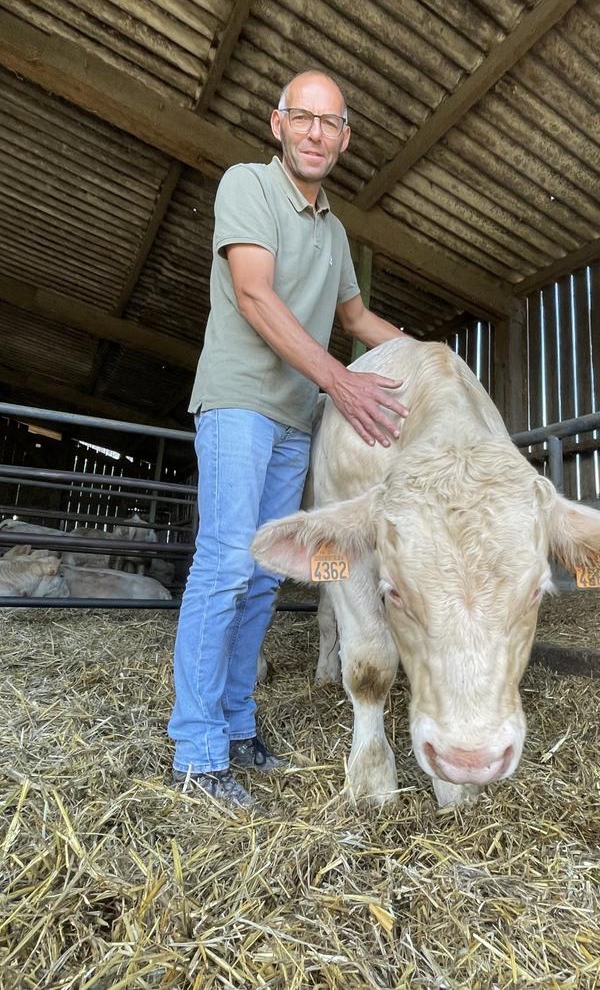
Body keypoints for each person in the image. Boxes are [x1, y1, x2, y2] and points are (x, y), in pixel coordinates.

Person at [168, 71, 409, 809]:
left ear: (344, 138)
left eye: (328, 123)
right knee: (227, 565)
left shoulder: (334, 230)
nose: (314, 133)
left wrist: (436, 364)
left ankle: (237, 724)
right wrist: (340, 382)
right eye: (301, 118)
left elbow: (359, 321)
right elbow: (254, 294)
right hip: (240, 403)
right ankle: (197, 748)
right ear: (277, 124)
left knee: (269, 574)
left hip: (293, 419)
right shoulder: (247, 185)